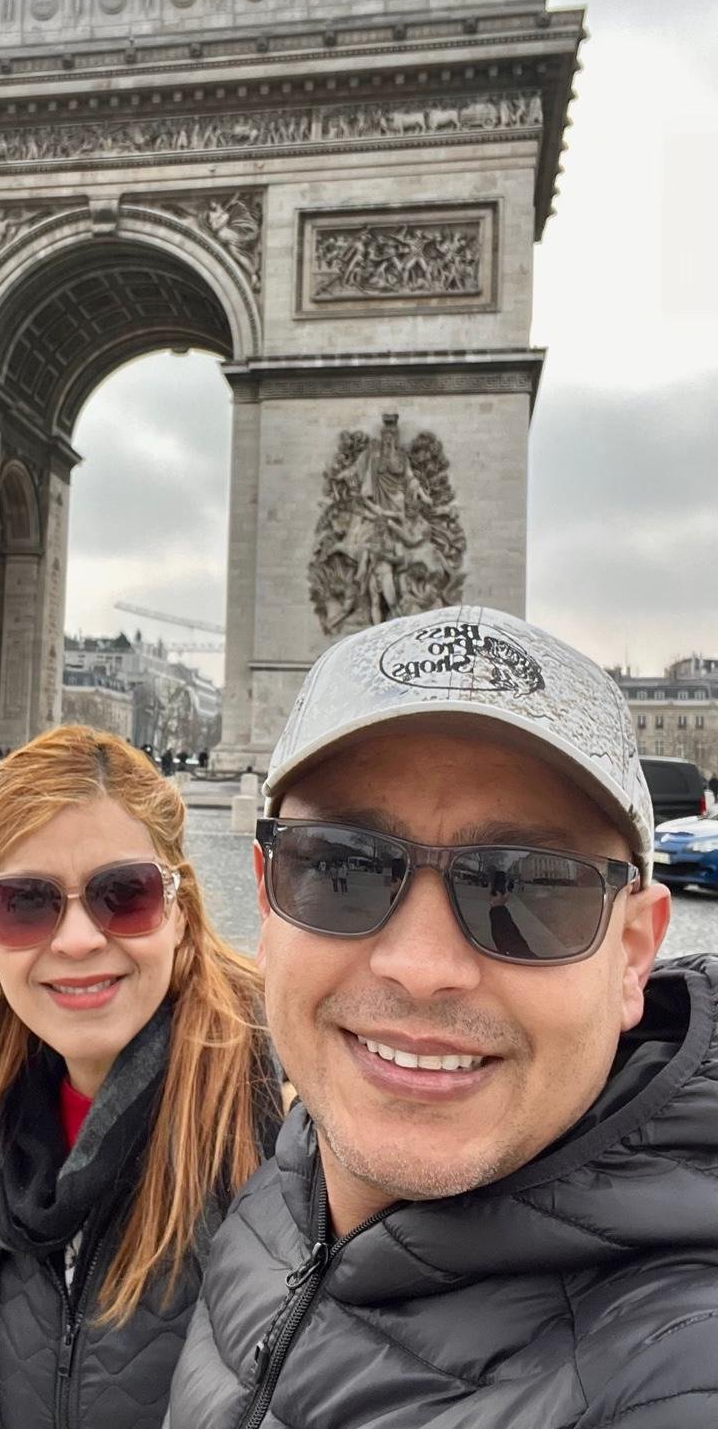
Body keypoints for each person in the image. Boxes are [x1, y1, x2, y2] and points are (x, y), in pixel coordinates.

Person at [170, 604, 718, 1428]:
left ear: (633, 951)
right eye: (343, 868)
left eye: (528, 885)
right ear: (266, 898)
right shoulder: (281, 1191)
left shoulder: (678, 1370)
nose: (421, 969)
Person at [0, 726, 280, 1429]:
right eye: (25, 903)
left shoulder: (287, 1131)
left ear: (181, 915)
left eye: (123, 894)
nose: (76, 940)